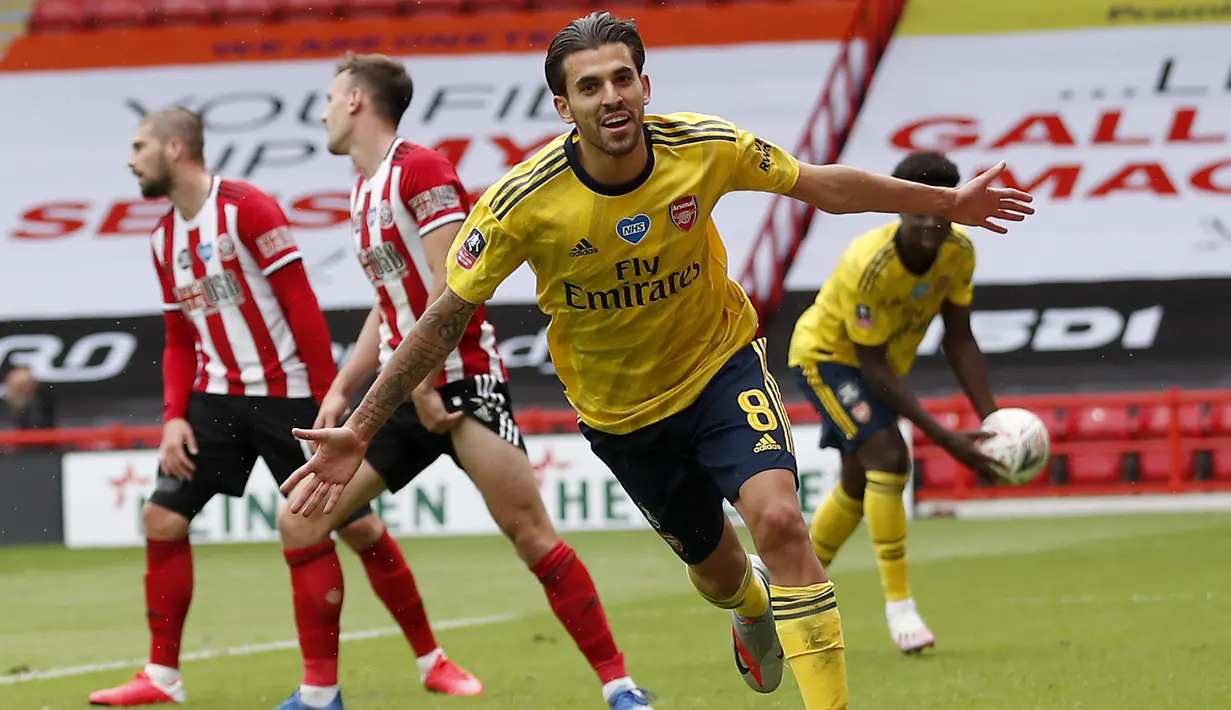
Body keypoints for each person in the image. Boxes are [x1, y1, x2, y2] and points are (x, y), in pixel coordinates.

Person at [279, 14, 1034, 710]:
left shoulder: (701, 145)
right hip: (621, 415)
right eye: (588, 86)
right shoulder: (520, 202)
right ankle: (752, 612)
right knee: (720, 577)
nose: (610, 97)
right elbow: (443, 314)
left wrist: (939, 203)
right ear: (562, 106)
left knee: (778, 521)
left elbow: (819, 184)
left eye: (621, 79)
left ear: (644, 85)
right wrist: (363, 422)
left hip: (719, 367)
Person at [269, 51, 653, 710]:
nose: (325, 111)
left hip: (463, 383)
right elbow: (389, 300)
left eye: (331, 97)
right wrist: (345, 382)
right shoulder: (364, 190)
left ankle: (619, 685)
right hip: (401, 391)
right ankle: (319, 694)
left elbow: (452, 287)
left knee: (531, 535)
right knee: (300, 522)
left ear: (358, 101)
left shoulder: (421, 169)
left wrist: (420, 383)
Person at [89, 107, 474, 707]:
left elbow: (301, 305)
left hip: (286, 397)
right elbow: (178, 338)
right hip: (215, 400)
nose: (129, 158)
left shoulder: (247, 208)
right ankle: (162, 678)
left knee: (357, 526)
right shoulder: (163, 238)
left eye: (139, 146)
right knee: (161, 518)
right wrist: (171, 416)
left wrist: (328, 400)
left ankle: (431, 659)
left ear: (174, 148)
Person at [787, 151, 1003, 655]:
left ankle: (790, 585)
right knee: (889, 456)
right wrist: (946, 438)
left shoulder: (960, 252)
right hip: (827, 360)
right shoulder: (870, 265)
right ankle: (900, 608)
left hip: (878, 368)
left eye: (940, 209)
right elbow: (873, 367)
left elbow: (959, 339)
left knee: (858, 482)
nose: (930, 221)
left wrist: (994, 420)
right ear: (900, 207)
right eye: (918, 207)